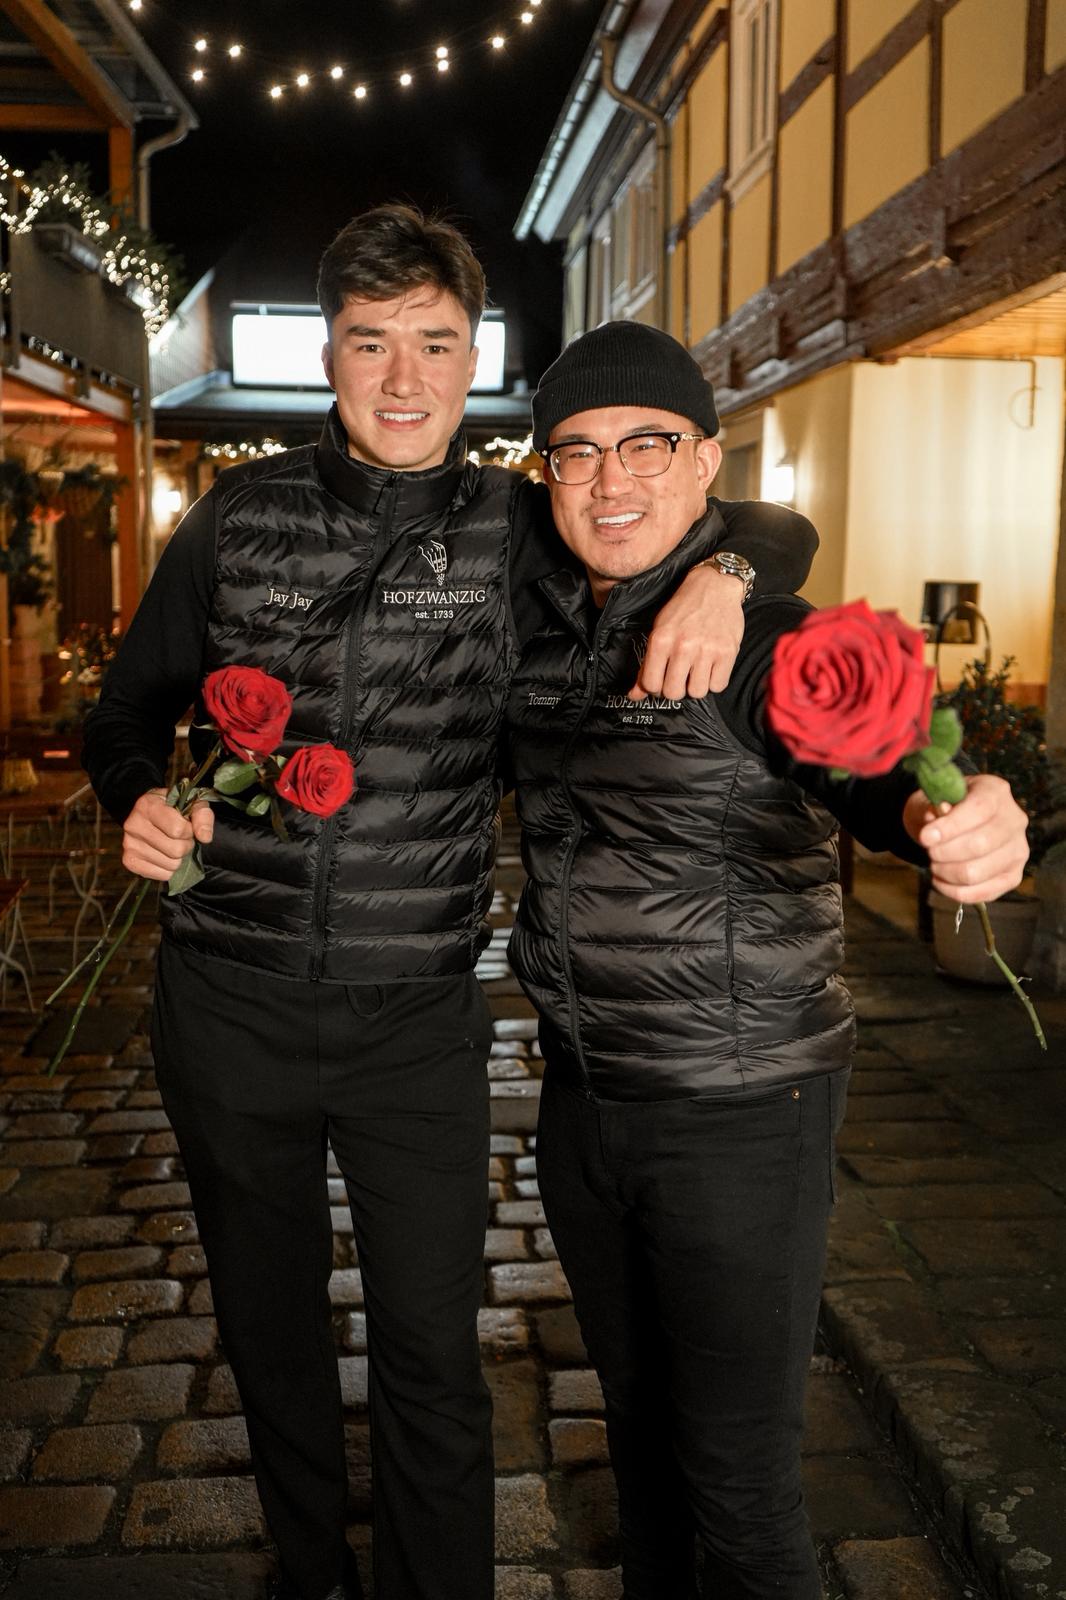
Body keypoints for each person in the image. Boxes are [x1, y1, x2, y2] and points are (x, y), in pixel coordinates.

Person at [82, 207, 819, 1600]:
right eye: (371, 344)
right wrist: (134, 789)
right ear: (330, 358)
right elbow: (122, 711)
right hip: (225, 1003)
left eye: (434, 344)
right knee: (272, 1335)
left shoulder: (513, 530)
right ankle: (309, 1572)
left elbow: (743, 518)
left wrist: (726, 575)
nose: (404, 379)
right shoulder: (235, 522)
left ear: (471, 357)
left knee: (431, 1348)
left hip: (416, 1017)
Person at [504, 320, 1031, 1600]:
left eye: (647, 444)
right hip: (582, 1100)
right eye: (575, 453)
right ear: (544, 475)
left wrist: (945, 816)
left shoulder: (766, 635)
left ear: (705, 460)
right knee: (636, 1447)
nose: (611, 478)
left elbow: (866, 762)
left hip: (739, 1109)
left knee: (739, 1490)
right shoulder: (538, 608)